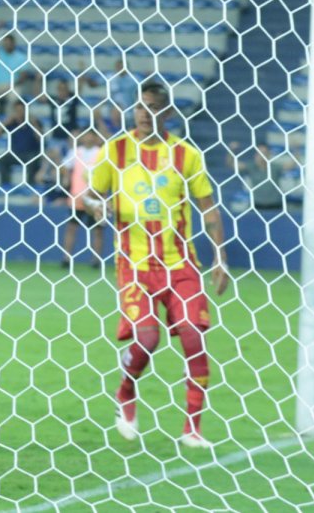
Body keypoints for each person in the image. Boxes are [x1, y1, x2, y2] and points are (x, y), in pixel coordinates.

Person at [84, 81, 229, 449]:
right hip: (134, 265)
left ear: (167, 114)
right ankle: (125, 393)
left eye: (153, 109)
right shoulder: (115, 150)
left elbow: (208, 208)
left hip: (181, 265)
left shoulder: (186, 155)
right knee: (148, 339)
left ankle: (192, 429)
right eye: (139, 108)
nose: (144, 116)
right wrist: (94, 205)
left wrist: (220, 257)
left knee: (195, 340)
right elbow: (90, 194)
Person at [59, 128, 105, 268]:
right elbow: (64, 166)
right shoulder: (75, 152)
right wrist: (66, 177)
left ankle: (96, 260)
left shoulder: (101, 152)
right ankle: (66, 258)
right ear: (82, 137)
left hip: (96, 197)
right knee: (72, 227)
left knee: (97, 230)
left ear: (96, 137)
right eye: (86, 135)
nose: (89, 138)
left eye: (92, 135)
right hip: (77, 196)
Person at [0, 100, 42, 186]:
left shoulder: (34, 122)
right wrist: (6, 122)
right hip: (15, 154)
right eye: (17, 111)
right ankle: (5, 185)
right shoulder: (12, 123)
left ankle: (30, 185)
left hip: (30, 153)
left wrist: (34, 124)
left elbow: (40, 138)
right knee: (1, 160)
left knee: (33, 160)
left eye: (21, 110)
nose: (19, 113)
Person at [228, 141, 286, 211]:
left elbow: (291, 165)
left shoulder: (275, 167)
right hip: (257, 206)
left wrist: (296, 150)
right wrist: (231, 150)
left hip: (275, 207)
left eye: (264, 153)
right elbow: (231, 164)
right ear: (256, 154)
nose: (262, 155)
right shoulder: (251, 167)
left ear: (269, 154)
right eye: (259, 153)